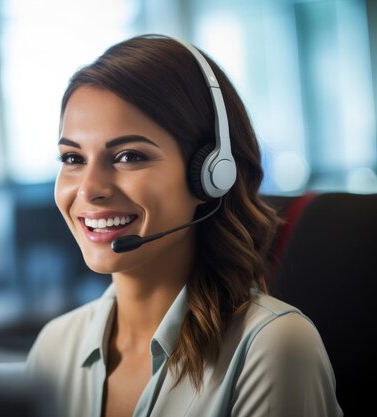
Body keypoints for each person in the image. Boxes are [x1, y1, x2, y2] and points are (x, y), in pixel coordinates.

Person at [25, 35, 342, 417]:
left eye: (128, 156)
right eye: (73, 158)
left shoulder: (272, 347)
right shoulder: (54, 348)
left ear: (210, 175)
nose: (89, 189)